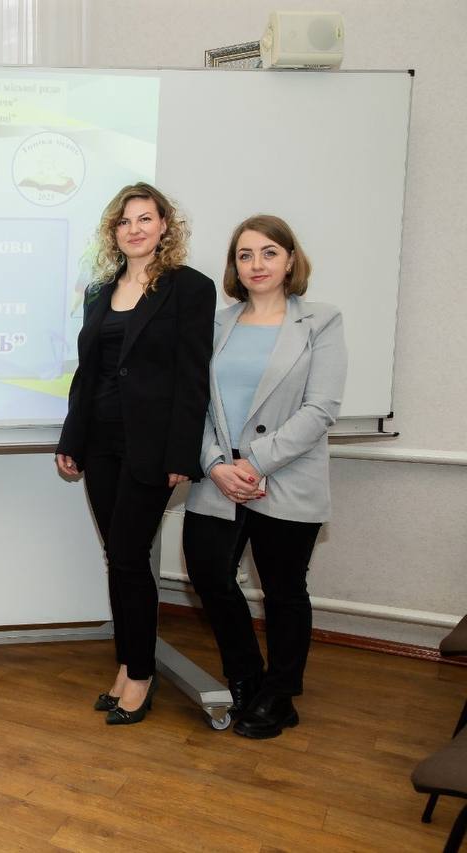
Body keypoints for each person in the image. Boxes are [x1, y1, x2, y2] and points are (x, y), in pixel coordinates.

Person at [55, 182, 216, 725]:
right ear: (114, 232)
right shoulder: (100, 291)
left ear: (165, 225)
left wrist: (181, 454)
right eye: (124, 222)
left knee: (128, 554)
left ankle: (141, 674)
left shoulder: (189, 288)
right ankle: (127, 665)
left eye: (145, 218)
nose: (134, 229)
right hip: (99, 440)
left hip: (151, 446)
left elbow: (193, 378)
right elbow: (88, 373)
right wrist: (71, 438)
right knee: (118, 557)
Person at [183, 215, 346, 739]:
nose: (257, 264)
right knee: (209, 574)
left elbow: (321, 408)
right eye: (245, 254)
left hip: (285, 474)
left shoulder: (321, 321)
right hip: (217, 476)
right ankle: (246, 676)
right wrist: (215, 464)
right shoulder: (215, 324)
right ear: (234, 266)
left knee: (283, 590)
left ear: (290, 259)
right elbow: (193, 404)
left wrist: (254, 463)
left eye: (269, 252)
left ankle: (280, 694)